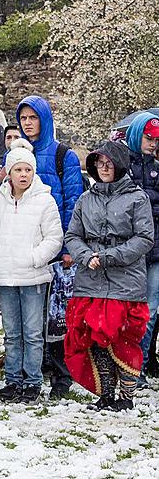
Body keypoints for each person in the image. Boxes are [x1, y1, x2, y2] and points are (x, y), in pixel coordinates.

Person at [1, 95, 84, 399]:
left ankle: (61, 375)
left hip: (55, 245)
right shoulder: (15, 156)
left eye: (32, 118)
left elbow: (73, 202)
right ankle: (28, 373)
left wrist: (68, 245)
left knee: (55, 316)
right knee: (27, 320)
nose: (27, 124)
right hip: (20, 249)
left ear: (44, 119)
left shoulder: (64, 155)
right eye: (23, 118)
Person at [65, 141, 155, 411]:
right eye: (99, 163)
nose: (104, 168)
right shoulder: (86, 198)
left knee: (123, 338)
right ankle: (105, 393)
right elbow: (73, 235)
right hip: (90, 280)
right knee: (94, 337)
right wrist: (85, 256)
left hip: (125, 281)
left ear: (119, 165)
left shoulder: (137, 198)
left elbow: (144, 238)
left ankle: (126, 397)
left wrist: (109, 257)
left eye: (109, 163)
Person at [0, 139, 63, 403]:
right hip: (5, 275)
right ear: (9, 172)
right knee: (12, 333)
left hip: (33, 277)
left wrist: (34, 258)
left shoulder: (45, 201)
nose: (23, 175)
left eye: (28, 170)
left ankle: (32, 381)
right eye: (18, 170)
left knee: (32, 332)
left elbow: (53, 238)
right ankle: (13, 380)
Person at [125, 114, 159, 388]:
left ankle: (141, 366)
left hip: (156, 251)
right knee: (127, 313)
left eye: (156, 140)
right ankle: (123, 365)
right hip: (129, 252)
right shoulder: (121, 166)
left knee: (150, 312)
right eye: (148, 138)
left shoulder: (157, 169)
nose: (152, 144)